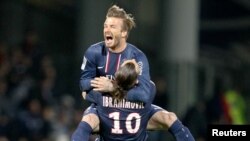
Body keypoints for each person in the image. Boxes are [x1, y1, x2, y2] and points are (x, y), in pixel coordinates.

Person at [71, 4, 194, 141]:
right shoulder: (93, 52)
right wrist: (101, 87)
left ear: (124, 33)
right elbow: (83, 83)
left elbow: (144, 94)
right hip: (109, 107)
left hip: (124, 106)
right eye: (105, 25)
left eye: (112, 27)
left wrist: (110, 87)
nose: (107, 29)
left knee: (169, 118)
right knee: (170, 118)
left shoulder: (138, 57)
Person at [82, 60, 156, 140]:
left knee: (89, 117)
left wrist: (112, 87)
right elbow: (146, 89)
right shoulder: (150, 88)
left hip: (109, 132)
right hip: (134, 134)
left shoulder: (104, 88)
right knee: (167, 117)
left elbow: (84, 93)